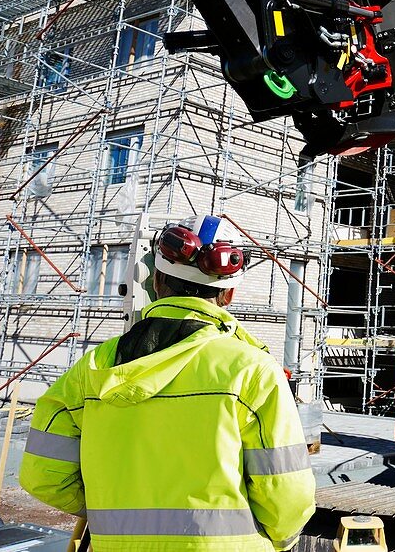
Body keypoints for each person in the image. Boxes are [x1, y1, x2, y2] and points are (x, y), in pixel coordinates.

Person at [19, 215, 316, 551]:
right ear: (229, 294)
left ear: (157, 281)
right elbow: (289, 497)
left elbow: (42, 475)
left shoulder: (92, 369)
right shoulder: (252, 370)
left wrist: (115, 514)